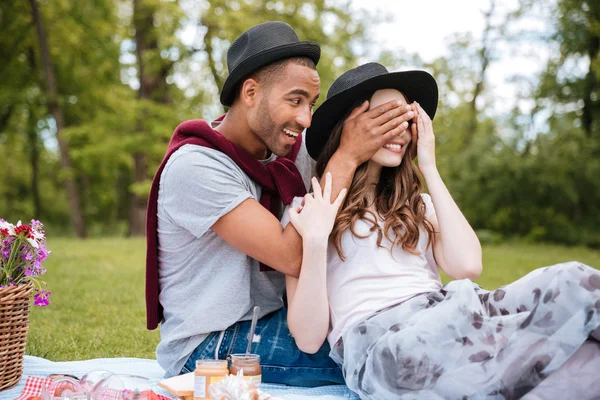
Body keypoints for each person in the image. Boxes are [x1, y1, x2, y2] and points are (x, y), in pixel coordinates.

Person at [285, 62, 600, 398]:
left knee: (576, 290)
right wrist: (317, 240)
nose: (400, 130)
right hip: (388, 345)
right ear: (348, 128)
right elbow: (308, 337)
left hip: (451, 314)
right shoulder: (305, 213)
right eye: (384, 118)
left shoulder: (417, 205)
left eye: (405, 119)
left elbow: (467, 267)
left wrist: (430, 167)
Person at [144, 23, 415, 385]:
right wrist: (347, 155)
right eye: (295, 100)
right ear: (251, 92)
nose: (305, 119)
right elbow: (290, 255)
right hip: (210, 345)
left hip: (278, 318)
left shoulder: (288, 149)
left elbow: (353, 172)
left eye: (311, 104)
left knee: (394, 330)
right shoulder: (196, 166)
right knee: (382, 353)